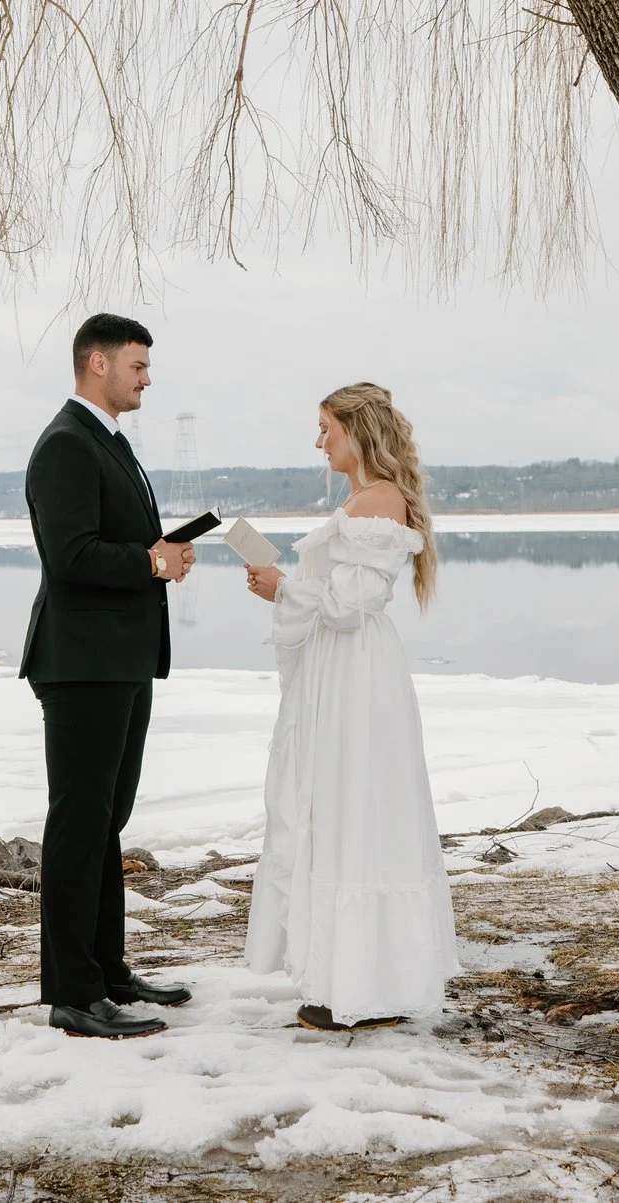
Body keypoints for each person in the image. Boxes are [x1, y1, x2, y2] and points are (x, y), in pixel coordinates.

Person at [240, 381, 461, 1029]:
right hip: (341, 670)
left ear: (356, 431)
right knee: (339, 808)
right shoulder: (365, 499)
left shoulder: (379, 500)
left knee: (361, 808)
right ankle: (345, 978)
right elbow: (333, 597)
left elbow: (350, 605)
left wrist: (286, 583)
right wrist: (282, 589)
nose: (318, 442)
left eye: (325, 429)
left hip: (359, 675)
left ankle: (368, 985)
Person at [21, 312, 197, 1039]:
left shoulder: (111, 443)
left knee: (106, 824)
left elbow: (112, 543)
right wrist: (148, 562)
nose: (147, 378)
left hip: (119, 659)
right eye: (138, 365)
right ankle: (71, 992)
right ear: (97, 362)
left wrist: (161, 551)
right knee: (77, 823)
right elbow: (70, 556)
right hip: (82, 662)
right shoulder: (66, 444)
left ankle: (108, 971)